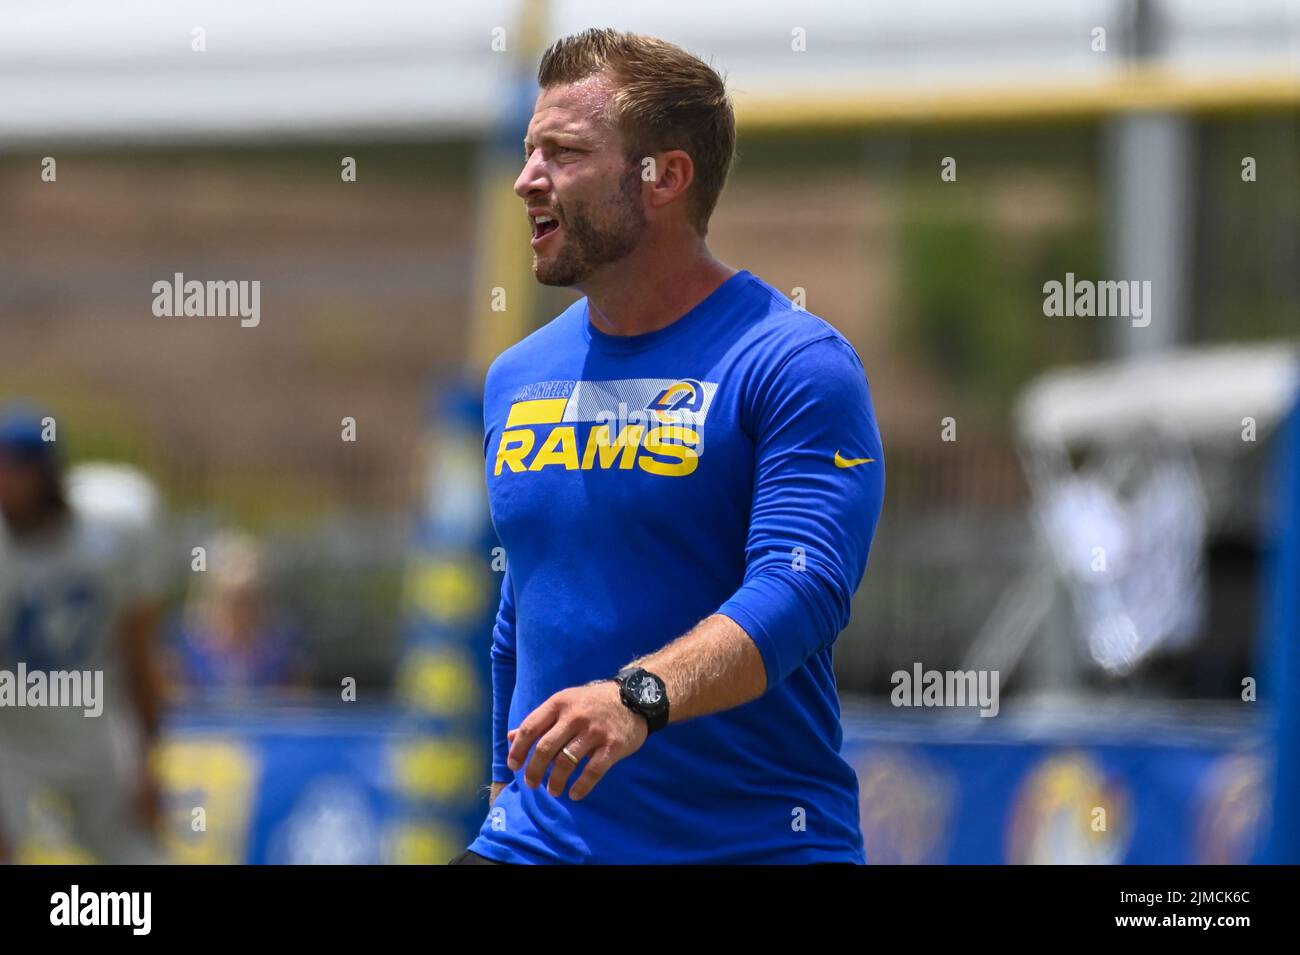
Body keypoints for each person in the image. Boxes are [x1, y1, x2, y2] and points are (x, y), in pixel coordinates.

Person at [452, 29, 885, 865]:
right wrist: (502, 795)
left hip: (751, 846)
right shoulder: (516, 377)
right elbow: (526, 603)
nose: (525, 179)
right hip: (540, 843)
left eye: (563, 152)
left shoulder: (795, 364)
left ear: (666, 177)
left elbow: (804, 592)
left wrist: (638, 696)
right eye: (528, 149)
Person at [0, 406, 168, 863]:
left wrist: (149, 759)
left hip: (95, 731)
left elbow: (139, 651)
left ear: (47, 471)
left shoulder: (114, 527)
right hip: (9, 737)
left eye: (15, 463)